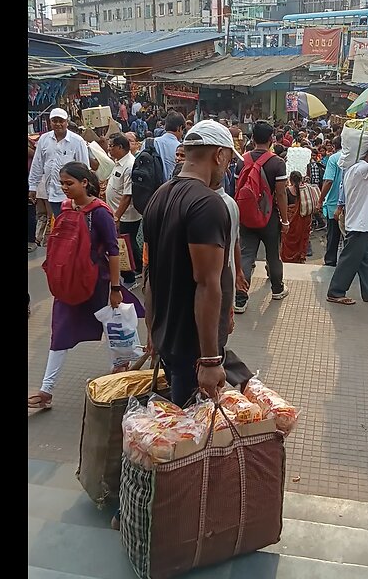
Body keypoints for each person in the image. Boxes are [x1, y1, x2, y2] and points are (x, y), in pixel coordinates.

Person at [142, 120, 252, 408]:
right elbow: (207, 283)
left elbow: (150, 274)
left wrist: (154, 330)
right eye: (228, 159)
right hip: (193, 347)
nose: (227, 168)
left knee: (184, 422)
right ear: (219, 155)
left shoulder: (160, 195)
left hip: (170, 338)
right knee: (192, 432)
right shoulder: (207, 204)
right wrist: (210, 359)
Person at [28, 162, 146, 410]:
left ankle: (141, 364)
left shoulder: (100, 212)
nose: (65, 188)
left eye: (69, 183)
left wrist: (115, 289)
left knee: (117, 327)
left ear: (85, 183)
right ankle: (46, 390)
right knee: (60, 332)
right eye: (62, 184)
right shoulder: (65, 207)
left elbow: (114, 252)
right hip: (71, 284)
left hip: (98, 283)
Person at [326, 124, 368, 304]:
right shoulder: (360, 169)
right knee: (350, 259)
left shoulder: (353, 169)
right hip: (359, 223)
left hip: (361, 222)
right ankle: (336, 291)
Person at [234, 121, 291, 314]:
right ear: (271, 139)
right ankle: (277, 289)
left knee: (246, 254)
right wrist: (285, 220)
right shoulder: (277, 163)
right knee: (273, 254)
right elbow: (281, 194)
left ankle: (240, 298)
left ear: (252, 137)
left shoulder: (242, 160)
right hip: (270, 218)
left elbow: (237, 190)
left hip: (246, 216)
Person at [29, 108, 90, 221]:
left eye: (61, 121)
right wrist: (32, 186)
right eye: (54, 121)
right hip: (51, 193)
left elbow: (84, 168)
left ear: (66, 122)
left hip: (72, 196)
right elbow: (37, 164)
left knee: (73, 224)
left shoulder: (77, 141)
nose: (57, 124)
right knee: (59, 223)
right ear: (50, 122)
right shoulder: (44, 139)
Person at [106, 135, 143, 289]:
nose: (108, 149)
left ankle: (130, 276)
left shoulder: (129, 165)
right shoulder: (119, 163)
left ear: (120, 147)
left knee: (125, 245)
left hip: (126, 214)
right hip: (118, 213)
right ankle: (138, 269)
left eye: (111, 146)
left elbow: (127, 195)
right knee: (128, 243)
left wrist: (117, 216)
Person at [319, 134, 345, 266]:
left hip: (333, 205)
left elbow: (328, 181)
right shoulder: (354, 158)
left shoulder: (333, 159)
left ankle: (330, 262)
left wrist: (320, 199)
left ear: (334, 147)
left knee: (333, 236)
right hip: (349, 205)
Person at [280, 171, 313, 263]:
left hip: (290, 221)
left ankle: (287, 259)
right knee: (301, 239)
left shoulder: (287, 190)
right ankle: (300, 257)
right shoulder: (304, 191)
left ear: (290, 180)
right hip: (302, 221)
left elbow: (284, 205)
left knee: (288, 241)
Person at [154, 113, 183, 181]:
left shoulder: (148, 143)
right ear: (179, 128)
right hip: (172, 188)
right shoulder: (181, 149)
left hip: (149, 189)